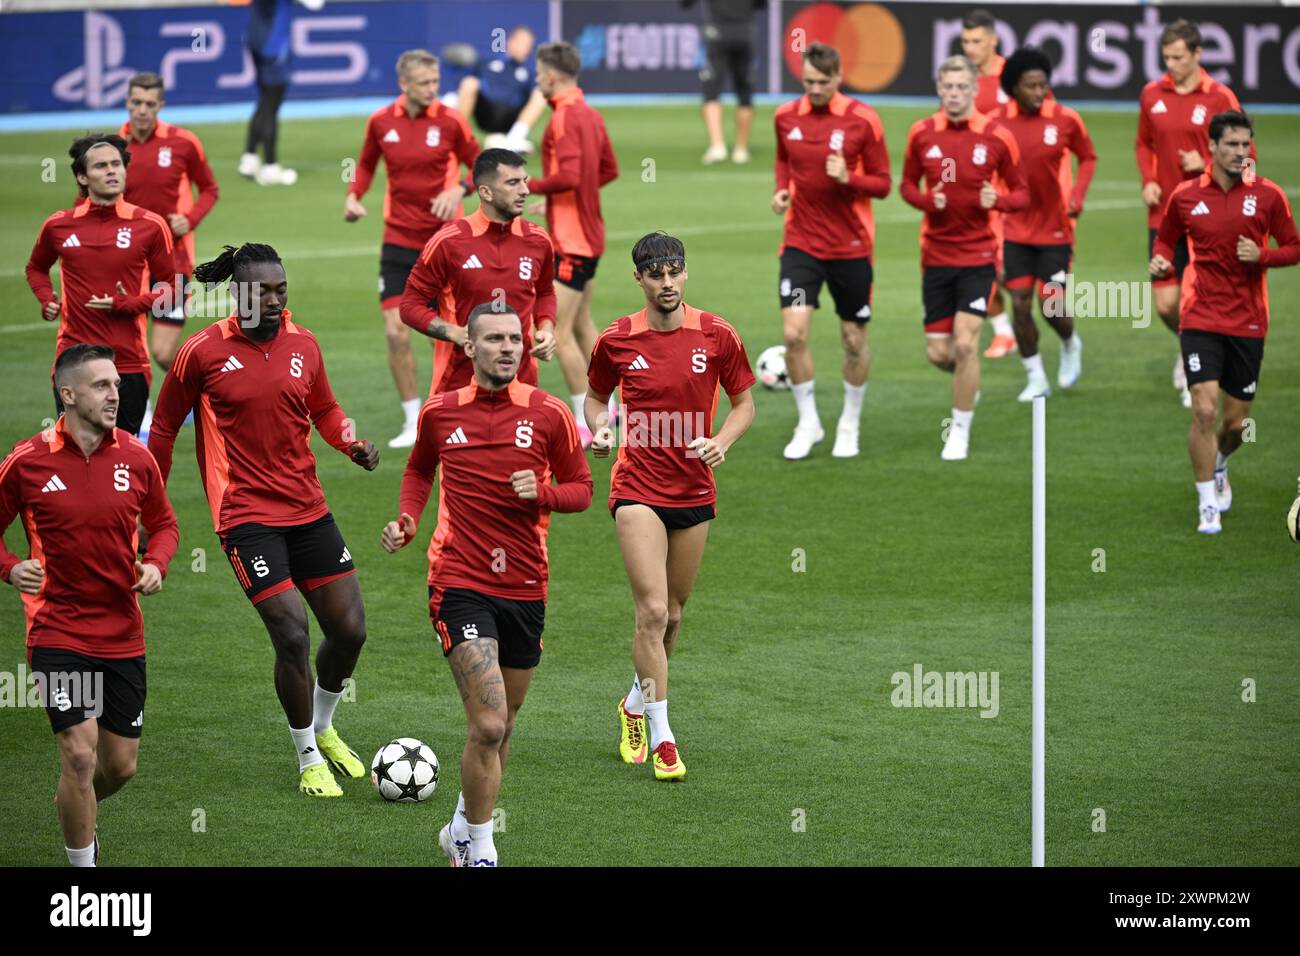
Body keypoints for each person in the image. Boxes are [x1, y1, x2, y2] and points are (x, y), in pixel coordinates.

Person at [148, 242, 381, 796]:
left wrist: (351, 442)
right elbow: (161, 428)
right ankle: (306, 758)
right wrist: (147, 505)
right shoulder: (201, 352)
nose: (275, 300)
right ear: (238, 293)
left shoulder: (304, 343)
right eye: (262, 291)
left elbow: (323, 408)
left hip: (308, 507)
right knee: (292, 633)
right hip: (245, 515)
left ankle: (324, 727)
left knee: (350, 631)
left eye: (281, 289)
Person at [382, 302, 592, 867]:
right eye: (494, 339)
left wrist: (542, 493)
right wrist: (408, 519)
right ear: (468, 348)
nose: (507, 347)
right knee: (491, 720)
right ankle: (480, 847)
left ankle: (458, 824)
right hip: (459, 581)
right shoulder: (441, 412)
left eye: (515, 339)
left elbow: (583, 488)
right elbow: (419, 469)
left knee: (502, 727)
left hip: (525, 586)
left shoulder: (549, 413)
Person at [585, 232, 756, 781]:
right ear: (638, 279)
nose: (666, 282)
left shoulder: (716, 333)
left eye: (674, 272)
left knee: (675, 615)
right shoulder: (616, 339)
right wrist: (600, 427)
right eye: (655, 274)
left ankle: (634, 703)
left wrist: (721, 443)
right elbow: (594, 397)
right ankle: (663, 737)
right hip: (637, 486)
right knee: (652, 612)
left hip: (694, 489)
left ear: (685, 274)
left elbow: (744, 403)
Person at [0, 344, 179, 866]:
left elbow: (164, 525)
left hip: (122, 632)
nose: (115, 395)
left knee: (119, 766)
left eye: (117, 386)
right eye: (102, 386)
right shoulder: (27, 461)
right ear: (68, 393)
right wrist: (11, 569)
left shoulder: (136, 457)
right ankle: (83, 873)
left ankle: (76, 811)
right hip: (57, 630)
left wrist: (157, 564)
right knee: (79, 756)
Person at [1150, 110, 1298, 534]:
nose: (1240, 152)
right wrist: (1160, 262)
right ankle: (1206, 505)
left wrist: (1263, 256)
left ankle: (1221, 463)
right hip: (1200, 315)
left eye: (1245, 144)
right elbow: (1166, 237)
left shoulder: (1269, 195)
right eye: (1231, 144)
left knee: (1235, 424)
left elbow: (1294, 246)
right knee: (1203, 409)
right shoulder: (1185, 195)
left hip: (1249, 322)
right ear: (1211, 147)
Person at [345, 49, 479, 449]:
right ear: (404, 84)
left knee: (447, 334)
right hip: (398, 243)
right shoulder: (381, 121)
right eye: (424, 83)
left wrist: (459, 188)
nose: (433, 90)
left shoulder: (452, 120)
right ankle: (412, 421)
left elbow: (482, 164)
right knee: (396, 333)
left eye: (436, 82)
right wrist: (354, 195)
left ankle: (456, 411)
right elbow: (366, 163)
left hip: (445, 244)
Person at [900, 55, 1028, 461]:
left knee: (967, 344)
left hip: (979, 255)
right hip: (935, 256)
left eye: (961, 87)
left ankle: (959, 428)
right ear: (939, 89)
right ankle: (968, 384)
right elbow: (904, 185)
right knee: (940, 354)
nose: (954, 94)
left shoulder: (996, 135)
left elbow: (1023, 192)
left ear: (975, 90)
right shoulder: (921, 134)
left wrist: (1001, 200)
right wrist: (926, 199)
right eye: (947, 87)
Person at [771, 42, 890, 460]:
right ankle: (808, 421)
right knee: (793, 334)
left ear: (839, 77)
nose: (815, 88)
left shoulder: (863, 120)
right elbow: (784, 161)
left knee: (853, 339)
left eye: (823, 82)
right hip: (802, 246)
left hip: (851, 248)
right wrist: (781, 190)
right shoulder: (786, 116)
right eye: (808, 81)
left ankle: (849, 422)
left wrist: (850, 177)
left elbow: (884, 183)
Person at [25, 134, 173, 437]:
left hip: (128, 364)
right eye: (101, 166)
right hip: (74, 360)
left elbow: (172, 287)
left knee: (122, 457)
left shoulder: (150, 225)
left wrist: (129, 304)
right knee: (76, 455)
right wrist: (45, 299)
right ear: (82, 176)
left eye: (117, 164)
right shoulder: (58, 225)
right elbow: (36, 268)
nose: (111, 171)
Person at [1137, 18, 1249, 408]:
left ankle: (1195, 365)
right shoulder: (1152, 94)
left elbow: (1246, 157)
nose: (1171, 64)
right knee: (1166, 304)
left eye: (1179, 57)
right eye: (1166, 57)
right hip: (1164, 215)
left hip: (1209, 217)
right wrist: (1148, 179)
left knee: (1198, 300)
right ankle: (1189, 349)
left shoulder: (1220, 97)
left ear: (1198, 55)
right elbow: (1143, 143)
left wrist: (1204, 160)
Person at [399, 148, 557, 394]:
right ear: (485, 192)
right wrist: (454, 332)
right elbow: (410, 306)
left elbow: (545, 292)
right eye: (513, 183)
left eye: (524, 181)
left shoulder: (538, 240)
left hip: (522, 385)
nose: (525, 190)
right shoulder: (448, 242)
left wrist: (546, 329)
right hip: (457, 387)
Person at [987, 47, 1095, 400]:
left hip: (1055, 230)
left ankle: (1069, 342)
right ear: (1013, 88)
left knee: (1052, 307)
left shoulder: (1065, 119)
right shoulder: (996, 122)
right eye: (1030, 86)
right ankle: (1035, 377)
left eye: (1042, 85)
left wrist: (1078, 194)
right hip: (1015, 229)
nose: (1038, 92)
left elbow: (1088, 156)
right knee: (1019, 304)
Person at [525, 41, 618, 446]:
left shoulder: (563, 118)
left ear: (549, 75)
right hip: (592, 233)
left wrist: (527, 185)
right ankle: (614, 406)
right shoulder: (591, 115)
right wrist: (562, 200)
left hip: (571, 241)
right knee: (582, 325)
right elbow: (607, 170)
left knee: (554, 331)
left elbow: (570, 174)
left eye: (538, 73)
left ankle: (589, 419)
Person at [117, 71, 220, 375]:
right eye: (136, 102)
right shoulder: (113, 147)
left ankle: (198, 396)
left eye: (150, 103)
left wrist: (189, 220)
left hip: (172, 263)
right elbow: (87, 200)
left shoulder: (183, 143)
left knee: (162, 353)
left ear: (160, 105)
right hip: (126, 262)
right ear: (127, 103)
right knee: (127, 350)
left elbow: (210, 189)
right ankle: (138, 415)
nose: (142, 110)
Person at [961, 8, 1017, 359]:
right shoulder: (961, 81)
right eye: (965, 41)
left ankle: (1061, 327)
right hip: (974, 194)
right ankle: (1004, 331)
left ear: (993, 41)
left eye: (977, 41)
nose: (970, 48)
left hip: (1010, 193)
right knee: (982, 266)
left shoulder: (1012, 79)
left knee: (1016, 275)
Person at [239, 0, 326, 185]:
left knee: (264, 100)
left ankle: (249, 158)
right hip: (273, 45)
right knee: (271, 103)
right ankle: (271, 166)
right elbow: (316, 4)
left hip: (254, 38)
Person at [443, 25, 546, 154]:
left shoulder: (528, 74)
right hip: (485, 113)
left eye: (530, 45)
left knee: (541, 92)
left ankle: (514, 139)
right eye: (524, 44)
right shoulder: (486, 63)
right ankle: (459, 137)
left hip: (510, 117)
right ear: (511, 42)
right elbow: (462, 88)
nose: (528, 50)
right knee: (470, 83)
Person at [683, 0, 762, 164]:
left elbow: (685, 3)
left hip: (718, 34)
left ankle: (717, 146)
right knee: (744, 93)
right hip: (744, 35)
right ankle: (741, 149)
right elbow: (761, 4)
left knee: (711, 91)